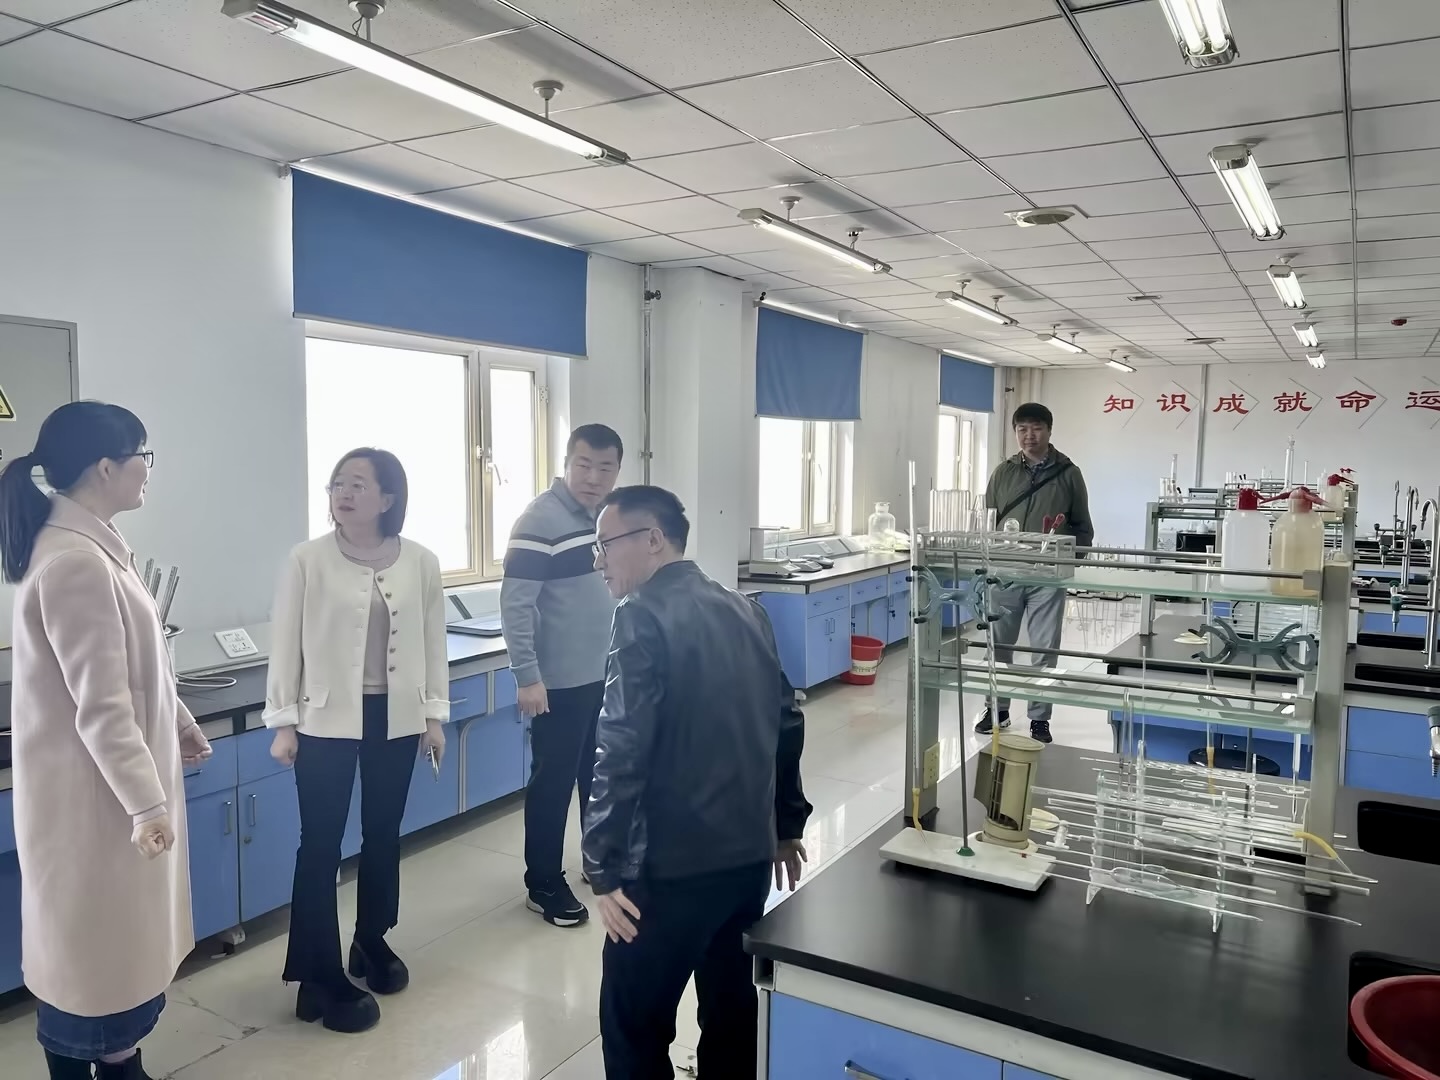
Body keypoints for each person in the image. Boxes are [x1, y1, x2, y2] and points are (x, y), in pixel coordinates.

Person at [2, 401, 212, 1080]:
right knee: (92, 973)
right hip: (96, 810)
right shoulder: (76, 564)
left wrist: (179, 721)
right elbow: (103, 708)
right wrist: (147, 807)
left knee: (112, 966)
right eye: (142, 457)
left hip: (107, 798)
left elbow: (138, 672)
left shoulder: (95, 551)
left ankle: (124, 1066)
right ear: (105, 467)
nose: (148, 470)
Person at [583, 485, 811, 1080]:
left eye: (605, 544)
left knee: (634, 1030)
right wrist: (785, 826)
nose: (599, 560)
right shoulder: (747, 610)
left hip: (667, 872)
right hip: (746, 862)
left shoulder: (639, 614)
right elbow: (786, 721)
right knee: (732, 1019)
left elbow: (620, 746)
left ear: (653, 539)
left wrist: (603, 866)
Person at [264, 448, 449, 1034]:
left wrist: (434, 716)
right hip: (323, 719)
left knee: (383, 834)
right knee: (320, 845)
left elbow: (433, 641)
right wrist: (284, 722)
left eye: (358, 485)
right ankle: (317, 972)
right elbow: (285, 641)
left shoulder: (420, 561)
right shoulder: (307, 559)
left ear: (388, 498)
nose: (343, 493)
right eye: (337, 484)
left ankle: (371, 940)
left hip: (397, 716)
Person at [500, 423, 623, 927]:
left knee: (600, 777)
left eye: (605, 468)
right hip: (557, 685)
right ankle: (543, 882)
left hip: (604, 675)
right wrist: (527, 675)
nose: (594, 477)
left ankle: (596, 860)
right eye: (584, 465)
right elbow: (516, 605)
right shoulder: (539, 520)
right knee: (552, 784)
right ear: (567, 463)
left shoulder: (609, 519)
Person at [979, 402, 1094, 744]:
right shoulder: (1003, 472)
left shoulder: (1069, 473)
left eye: (1037, 428)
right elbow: (987, 519)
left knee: (1044, 649)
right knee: (998, 644)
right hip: (1004, 573)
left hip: (1047, 576)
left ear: (1049, 431)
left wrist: (1068, 567)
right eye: (1022, 429)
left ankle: (1039, 718)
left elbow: (1083, 527)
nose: (1029, 436)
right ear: (1016, 432)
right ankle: (996, 709)